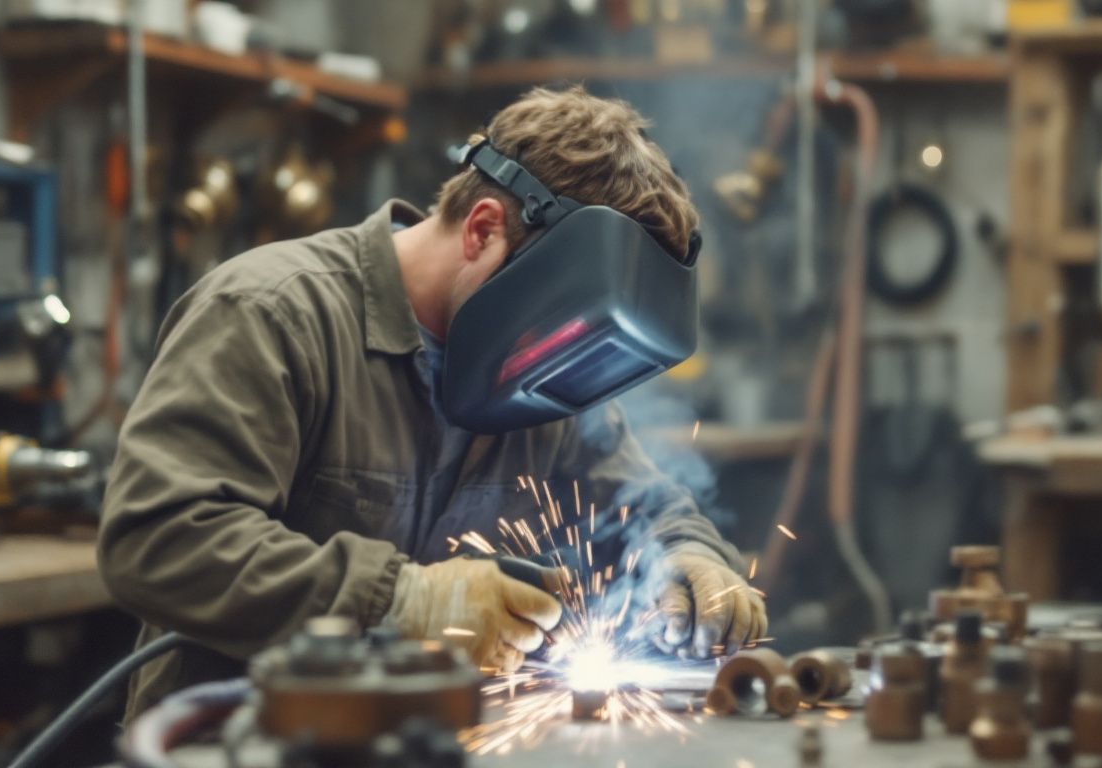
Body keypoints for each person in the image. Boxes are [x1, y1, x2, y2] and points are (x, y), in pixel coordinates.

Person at [98, 86, 766, 720]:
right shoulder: (270, 314)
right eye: (560, 327)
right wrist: (401, 602)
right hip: (236, 741)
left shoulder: (549, 375)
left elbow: (645, 509)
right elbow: (159, 538)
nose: (562, 366)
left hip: (427, 741)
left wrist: (692, 558)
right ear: (481, 231)